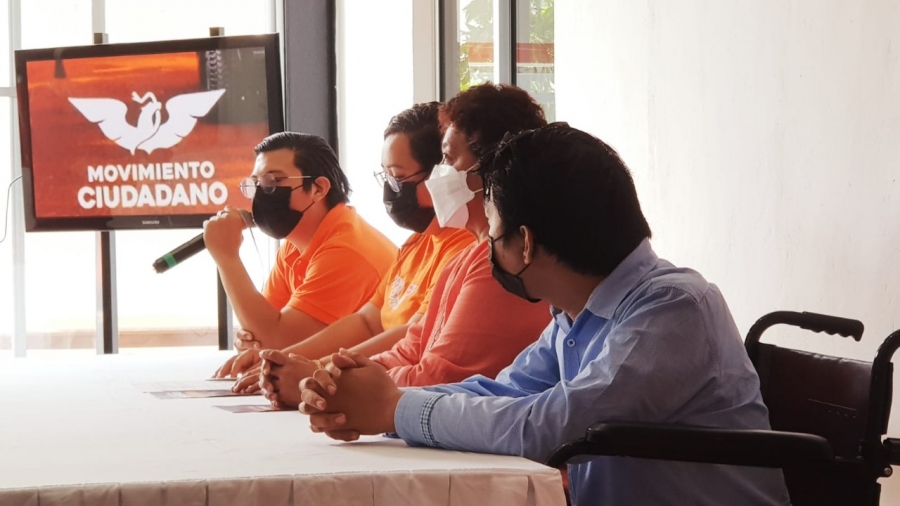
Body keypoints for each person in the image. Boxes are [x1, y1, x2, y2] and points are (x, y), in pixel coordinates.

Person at [297, 124, 792, 506]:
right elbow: (504, 392)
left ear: (526, 243)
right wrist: (379, 400)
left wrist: (394, 410)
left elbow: (554, 426)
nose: (487, 248)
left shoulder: (674, 309)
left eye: (493, 231)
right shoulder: (575, 316)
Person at [251, 84, 553, 409]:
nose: (440, 174)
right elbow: (409, 347)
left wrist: (330, 382)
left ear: (489, 168)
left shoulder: (500, 262)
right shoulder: (461, 255)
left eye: (447, 159)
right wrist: (323, 372)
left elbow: (437, 376)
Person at [216, 103, 474, 379]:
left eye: (398, 178)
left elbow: (413, 337)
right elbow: (367, 322)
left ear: (443, 175)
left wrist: (226, 255)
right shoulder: (417, 244)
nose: (391, 189)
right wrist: (283, 359)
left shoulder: (462, 248)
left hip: (398, 386)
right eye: (386, 176)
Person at [204, 132, 397, 372]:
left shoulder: (347, 250)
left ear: (318, 188)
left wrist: (226, 256)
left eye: (273, 182)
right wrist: (253, 339)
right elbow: (261, 333)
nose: (261, 193)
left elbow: (276, 342)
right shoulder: (295, 245)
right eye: (255, 184)